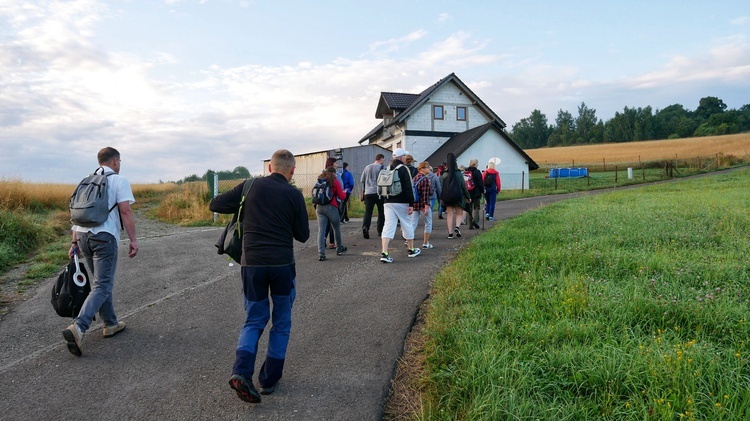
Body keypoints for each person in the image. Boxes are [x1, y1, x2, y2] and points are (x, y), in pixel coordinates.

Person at [209, 149, 310, 404]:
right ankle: (269, 379)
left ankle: (241, 372)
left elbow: (216, 204)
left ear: (269, 168)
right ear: (292, 171)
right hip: (282, 266)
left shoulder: (250, 186)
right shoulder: (294, 194)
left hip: (251, 264)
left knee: (254, 320)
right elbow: (303, 235)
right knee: (282, 322)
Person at [63, 147, 139, 357]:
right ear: (115, 161)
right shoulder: (118, 180)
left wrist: (74, 242)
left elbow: (78, 215)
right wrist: (133, 240)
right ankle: (79, 327)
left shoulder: (86, 181)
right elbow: (125, 210)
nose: (120, 164)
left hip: (84, 237)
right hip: (104, 237)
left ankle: (110, 324)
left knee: (100, 282)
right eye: (119, 161)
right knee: (103, 284)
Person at [380, 148, 420, 263]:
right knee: (407, 223)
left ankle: (384, 253)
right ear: (402, 157)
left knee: (388, 226)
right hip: (401, 202)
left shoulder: (387, 168)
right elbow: (409, 187)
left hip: (387, 202)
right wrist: (411, 203)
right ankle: (411, 250)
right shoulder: (403, 169)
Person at [315, 166, 347, 261]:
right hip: (331, 207)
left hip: (319, 207)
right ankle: (339, 248)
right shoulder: (334, 181)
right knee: (336, 228)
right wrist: (344, 192)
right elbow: (341, 196)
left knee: (321, 230)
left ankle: (321, 253)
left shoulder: (320, 181)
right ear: (333, 173)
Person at [441, 153, 471, 239]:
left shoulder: (445, 174)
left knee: (449, 215)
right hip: (458, 196)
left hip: (448, 197)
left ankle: (450, 233)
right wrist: (468, 196)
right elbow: (463, 187)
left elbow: (442, 187)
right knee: (459, 213)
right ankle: (457, 227)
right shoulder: (459, 174)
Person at [360, 153, 386, 239]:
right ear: (381, 159)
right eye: (383, 160)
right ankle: (380, 230)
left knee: (368, 212)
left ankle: (365, 227)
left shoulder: (367, 167)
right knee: (381, 212)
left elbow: (362, 180)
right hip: (379, 193)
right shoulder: (382, 168)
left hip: (368, 192)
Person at [414, 162, 434, 249]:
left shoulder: (414, 178)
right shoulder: (424, 179)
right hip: (423, 204)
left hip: (414, 204)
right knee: (428, 223)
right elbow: (425, 194)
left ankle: (408, 240)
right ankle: (426, 243)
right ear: (422, 169)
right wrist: (426, 206)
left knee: (412, 224)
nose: (429, 168)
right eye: (427, 167)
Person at [323, 157, 343, 248]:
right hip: (334, 201)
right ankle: (333, 243)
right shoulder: (336, 174)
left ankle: (323, 239)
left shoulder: (322, 173)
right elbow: (340, 187)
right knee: (334, 223)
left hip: (323, 201)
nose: (337, 165)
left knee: (325, 223)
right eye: (336, 163)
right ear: (332, 164)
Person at [464, 158, 485, 230]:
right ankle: (475, 221)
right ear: (475, 164)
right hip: (476, 193)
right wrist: (482, 190)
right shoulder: (477, 172)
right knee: (476, 207)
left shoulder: (466, 172)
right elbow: (480, 183)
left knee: (469, 208)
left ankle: (470, 224)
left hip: (467, 193)